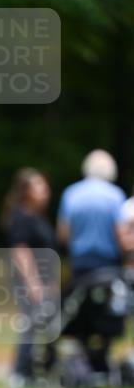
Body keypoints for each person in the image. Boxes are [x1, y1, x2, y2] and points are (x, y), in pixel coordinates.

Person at [57, 150, 129, 375]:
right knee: (107, 314)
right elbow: (120, 234)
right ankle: (101, 357)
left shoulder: (71, 194)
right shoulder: (115, 195)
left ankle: (82, 361)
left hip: (80, 265)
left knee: (79, 312)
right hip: (108, 265)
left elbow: (63, 233)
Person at [0, 168, 57, 388]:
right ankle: (19, 374)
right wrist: (33, 282)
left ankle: (41, 370)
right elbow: (20, 250)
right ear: (26, 192)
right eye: (39, 186)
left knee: (46, 325)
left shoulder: (37, 217)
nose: (45, 190)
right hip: (30, 283)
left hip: (44, 282)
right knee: (31, 324)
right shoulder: (22, 217)